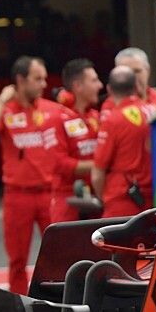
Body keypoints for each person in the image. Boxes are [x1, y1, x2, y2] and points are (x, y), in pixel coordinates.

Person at [0, 56, 60, 294]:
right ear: (20, 80)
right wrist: (1, 99)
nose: (44, 84)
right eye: (37, 79)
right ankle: (18, 305)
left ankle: (59, 299)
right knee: (17, 260)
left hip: (50, 194)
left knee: (59, 254)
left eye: (45, 78)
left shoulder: (52, 110)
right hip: (18, 196)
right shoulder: (6, 111)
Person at [91, 66, 153, 217]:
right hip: (154, 198)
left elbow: (97, 173)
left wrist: (102, 197)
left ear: (109, 89)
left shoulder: (112, 120)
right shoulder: (155, 111)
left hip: (122, 200)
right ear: (136, 86)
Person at [50, 59, 102, 222]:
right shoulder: (57, 117)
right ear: (78, 86)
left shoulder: (97, 116)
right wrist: (100, 166)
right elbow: (59, 163)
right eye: (94, 80)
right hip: (67, 201)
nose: (100, 85)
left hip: (97, 199)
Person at [112, 47, 156, 120]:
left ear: (148, 71)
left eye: (137, 71)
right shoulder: (111, 105)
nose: (132, 77)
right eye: (126, 72)